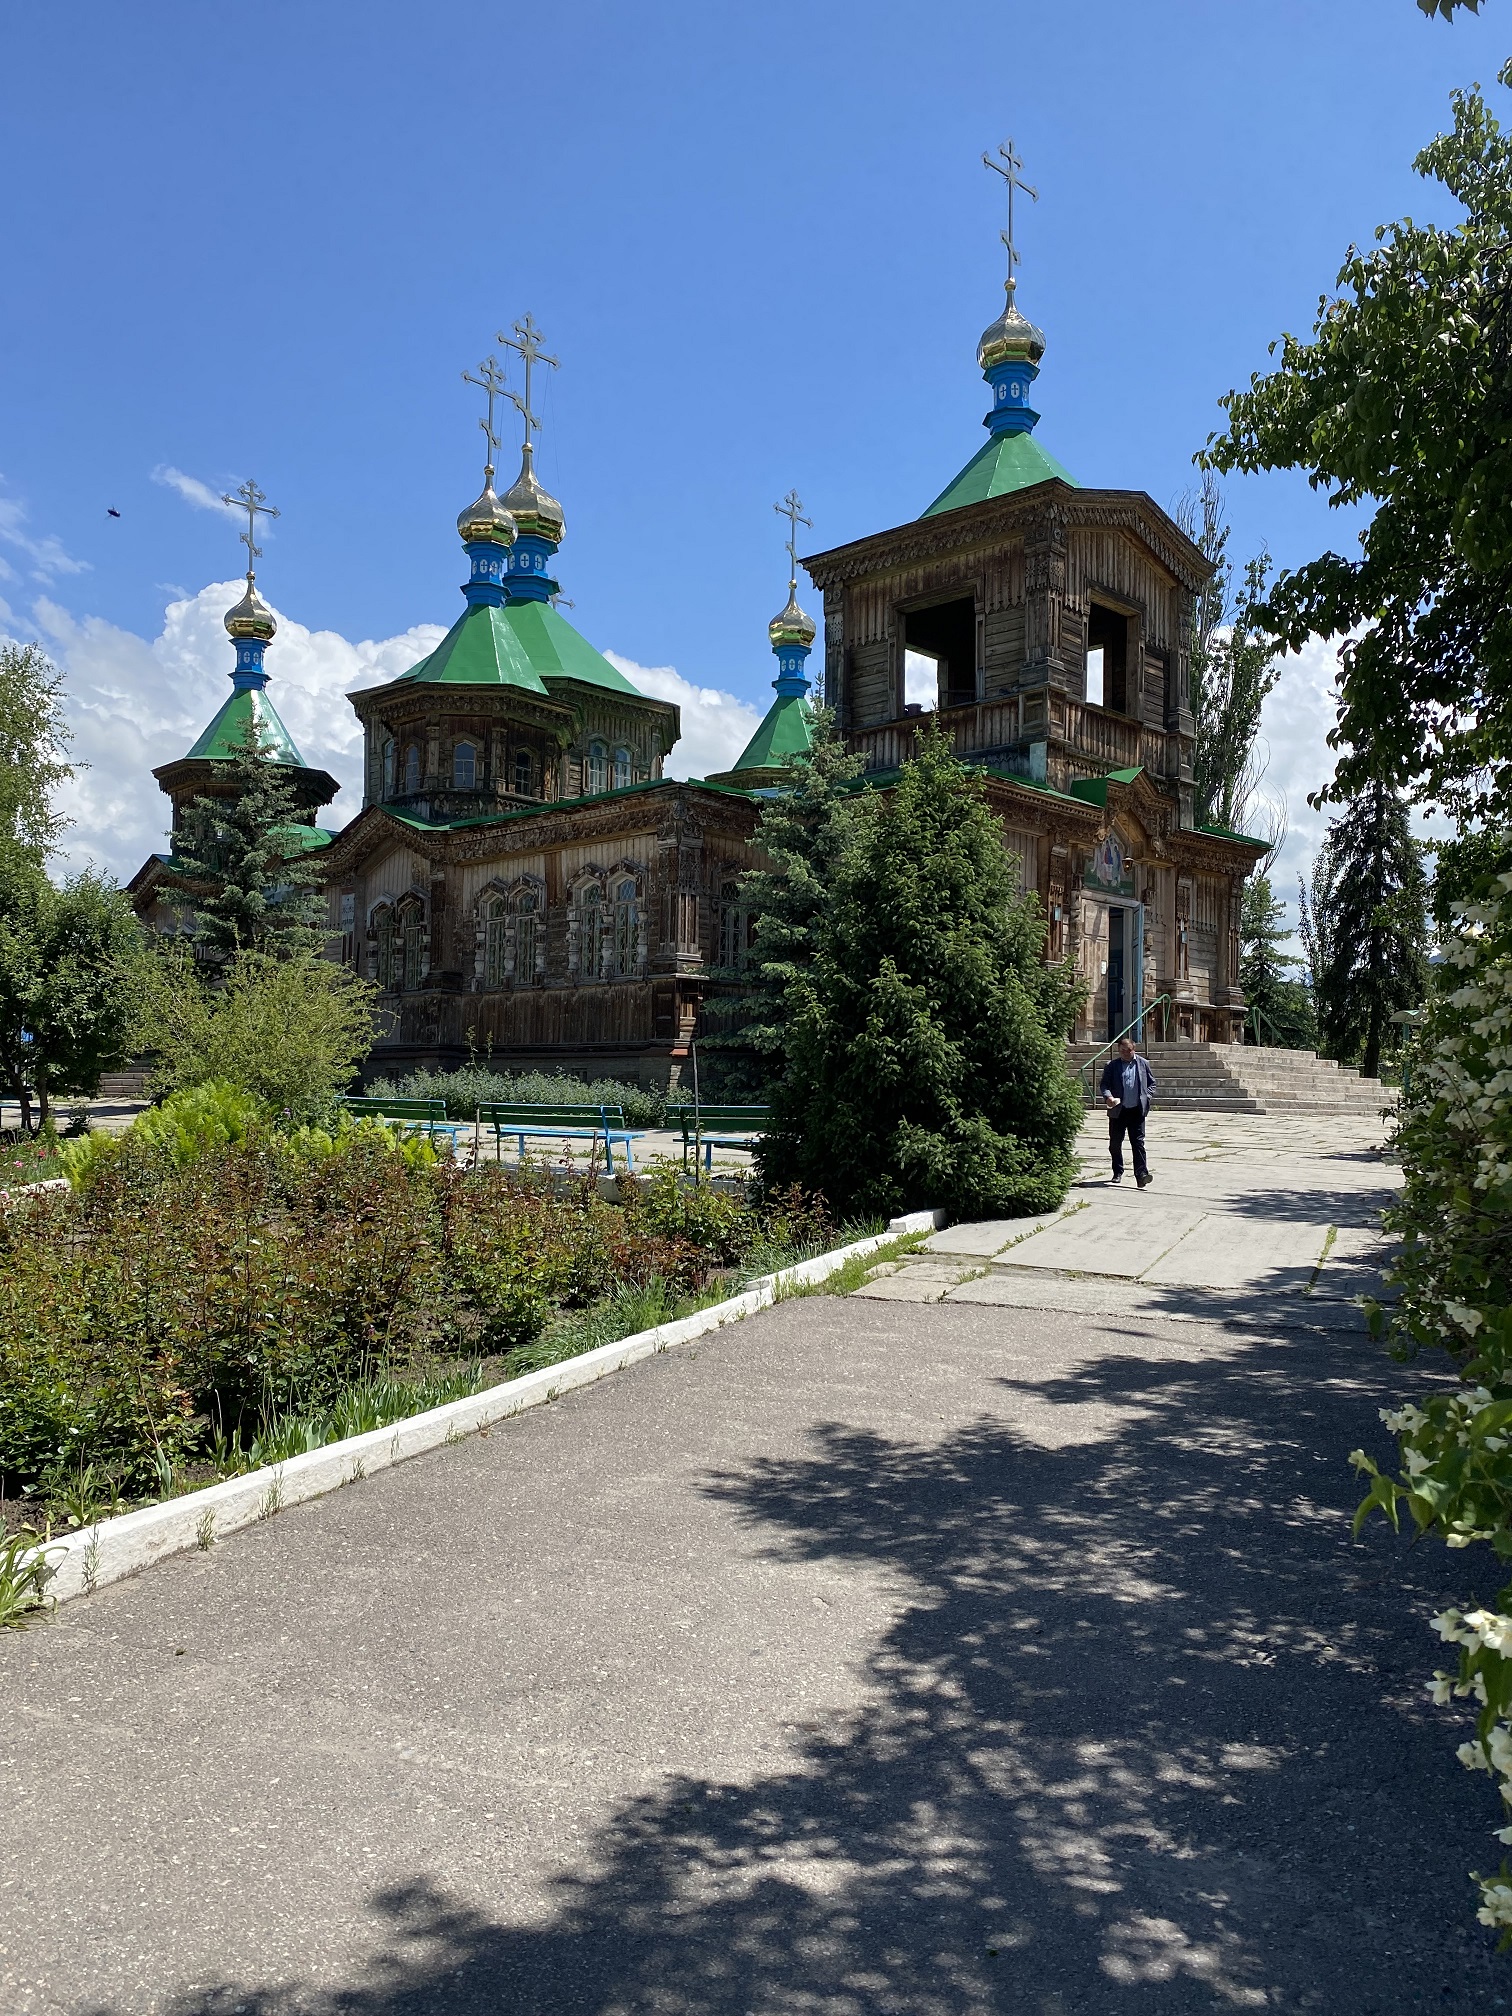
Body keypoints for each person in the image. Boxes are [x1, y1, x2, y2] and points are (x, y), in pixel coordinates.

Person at [1098, 1034, 1155, 1188]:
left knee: (1138, 1143)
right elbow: (1104, 1085)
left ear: (1133, 1049)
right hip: (1118, 1111)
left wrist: (1147, 1096)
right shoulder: (1112, 1066)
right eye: (1122, 1050)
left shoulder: (1143, 1064)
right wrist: (1108, 1097)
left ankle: (1141, 1175)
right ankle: (1118, 1171)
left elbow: (1152, 1084)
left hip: (1137, 1110)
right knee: (1115, 1144)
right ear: (1118, 1050)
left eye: (1128, 1050)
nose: (1125, 1053)